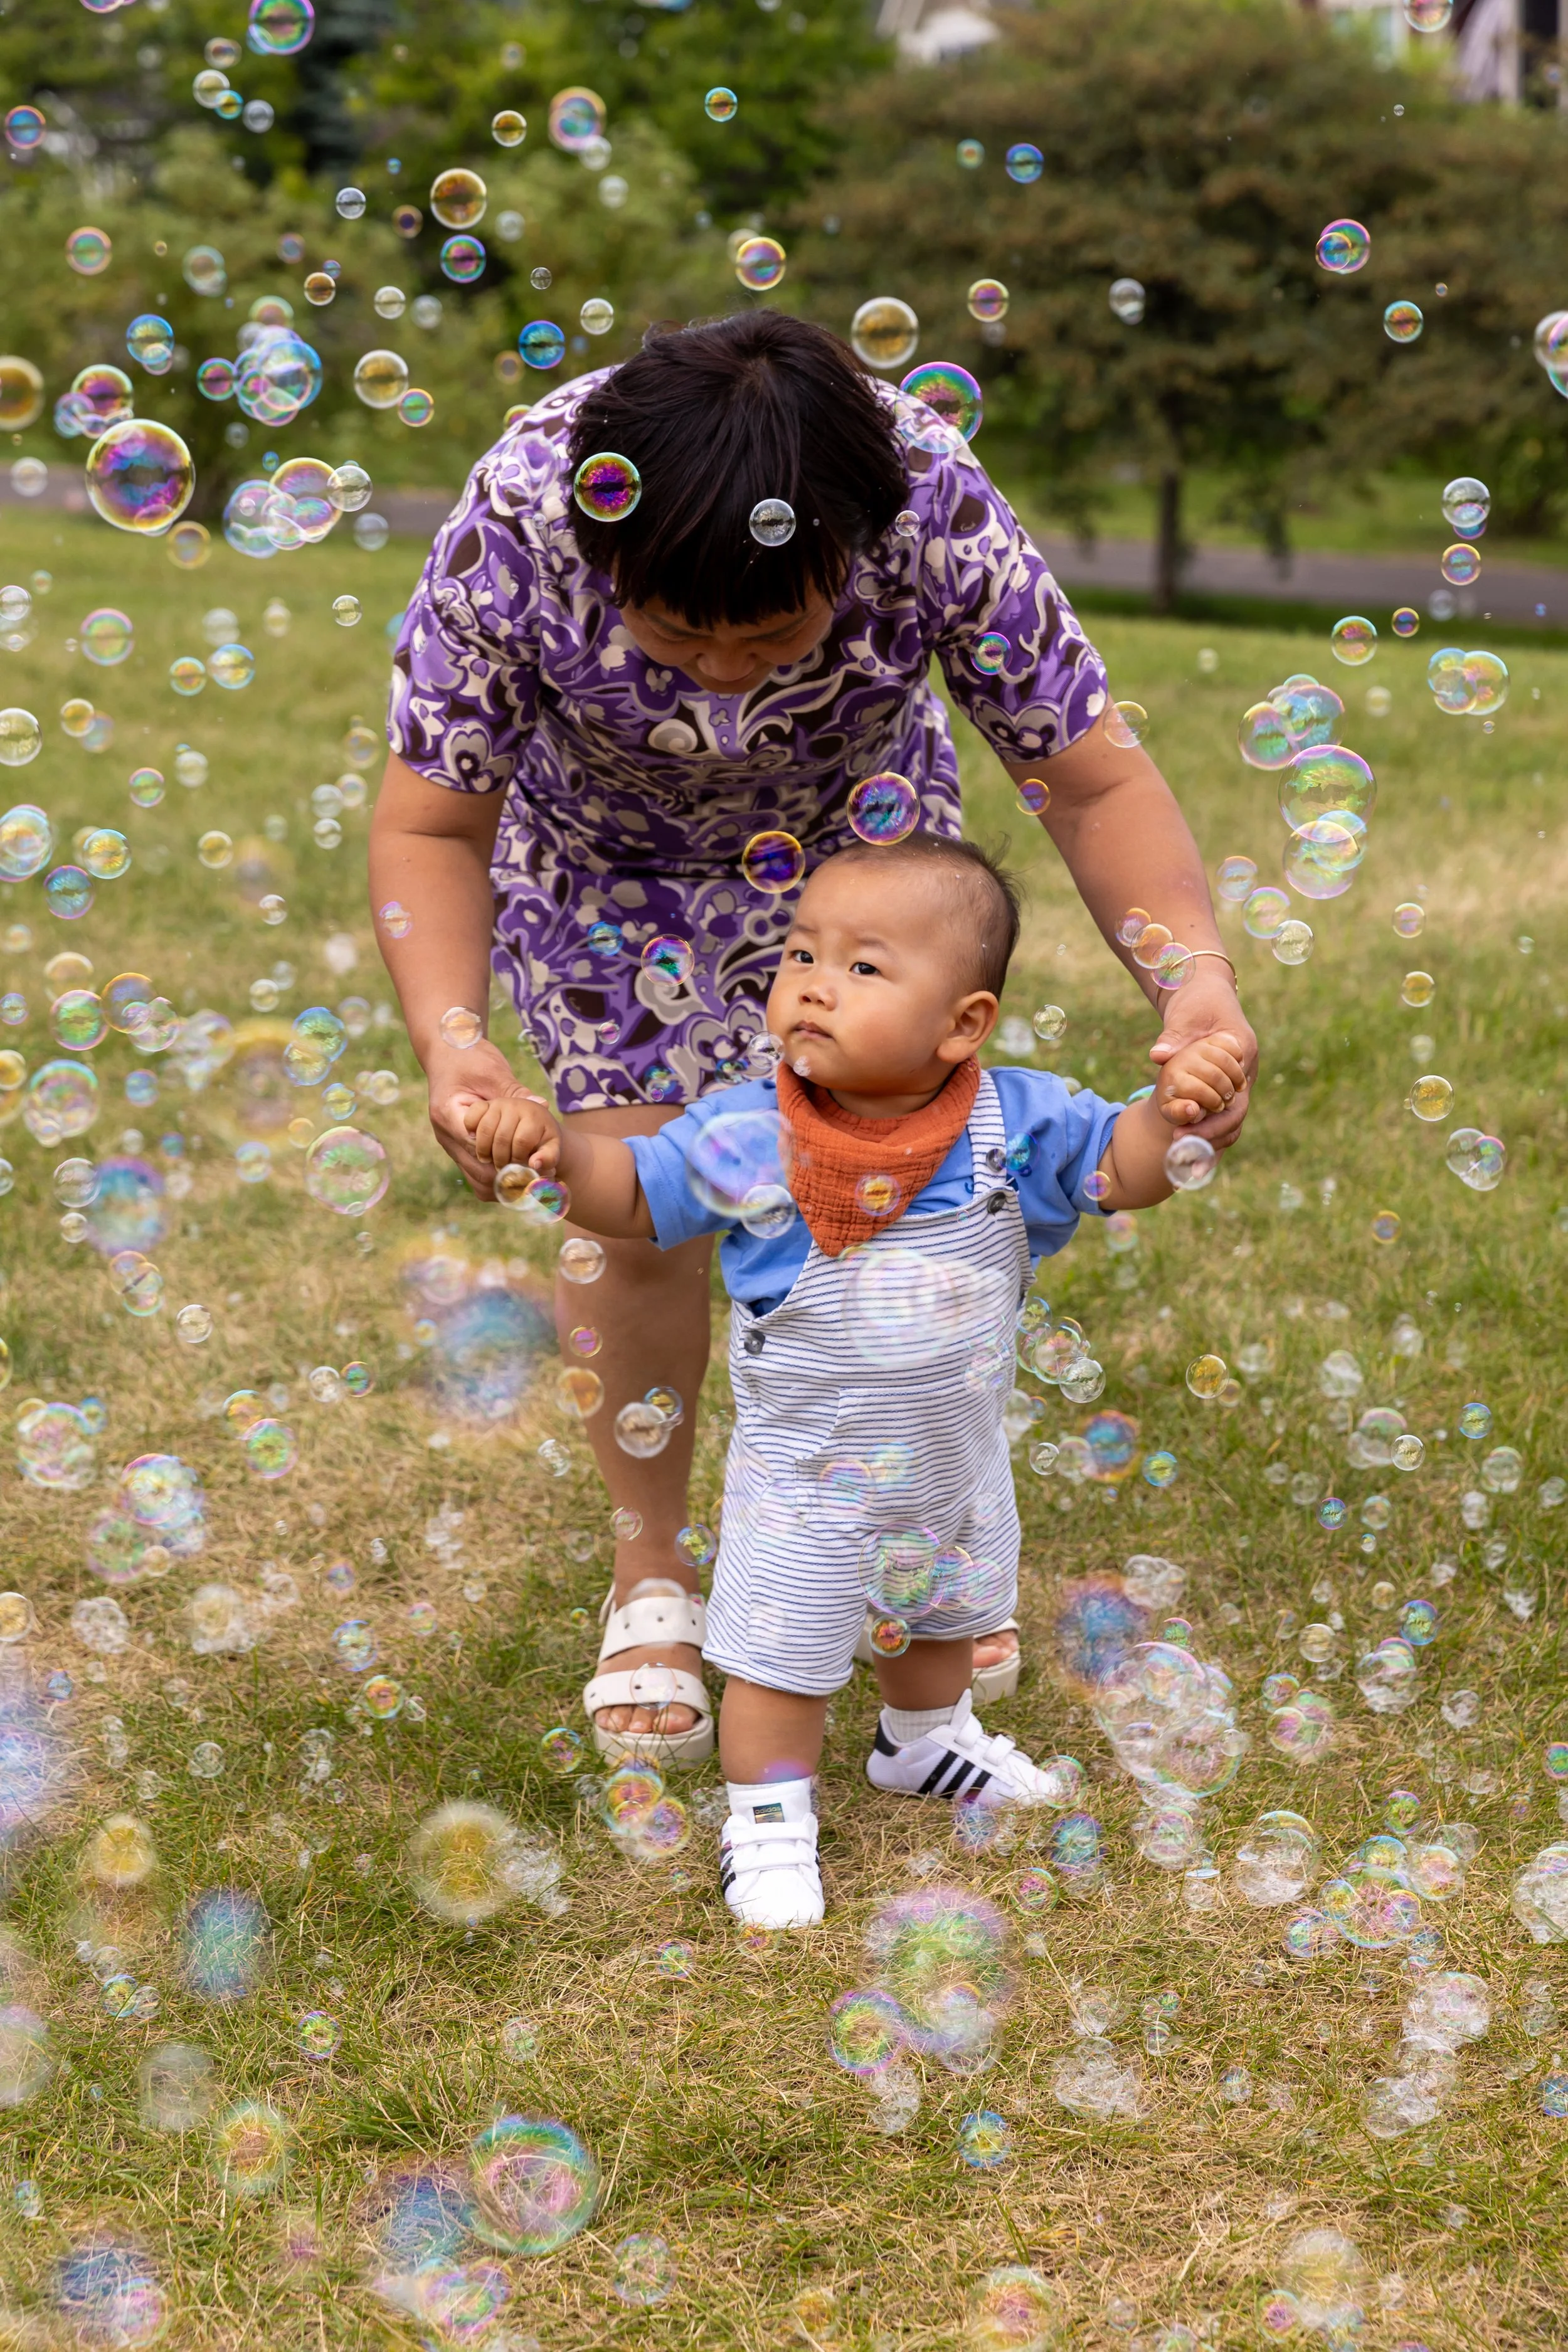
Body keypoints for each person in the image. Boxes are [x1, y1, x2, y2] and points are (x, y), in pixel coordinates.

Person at [369, 308, 1257, 1771]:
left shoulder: (929, 503)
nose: (721, 682)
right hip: (605, 876)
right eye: (671, 634)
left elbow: (1087, 781)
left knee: (899, 1203)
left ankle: (911, 1565)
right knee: (644, 1209)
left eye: (770, 632)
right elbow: (431, 817)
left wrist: (1194, 985)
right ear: (607, 567)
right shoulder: (524, 518)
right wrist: (457, 1042)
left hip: (863, 859)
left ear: (849, 555)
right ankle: (650, 1576)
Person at [459, 832, 1248, 1928]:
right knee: (780, 1660)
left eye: (864, 967)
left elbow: (1125, 1167)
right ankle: (769, 1821)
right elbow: (635, 1192)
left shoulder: (1018, 1122)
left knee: (943, 1619)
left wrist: (1179, 1112)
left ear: (964, 1022)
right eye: (800, 955)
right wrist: (551, 1151)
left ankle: (923, 1745)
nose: (814, 986)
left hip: (952, 1461)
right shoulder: (753, 1128)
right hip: (805, 1480)